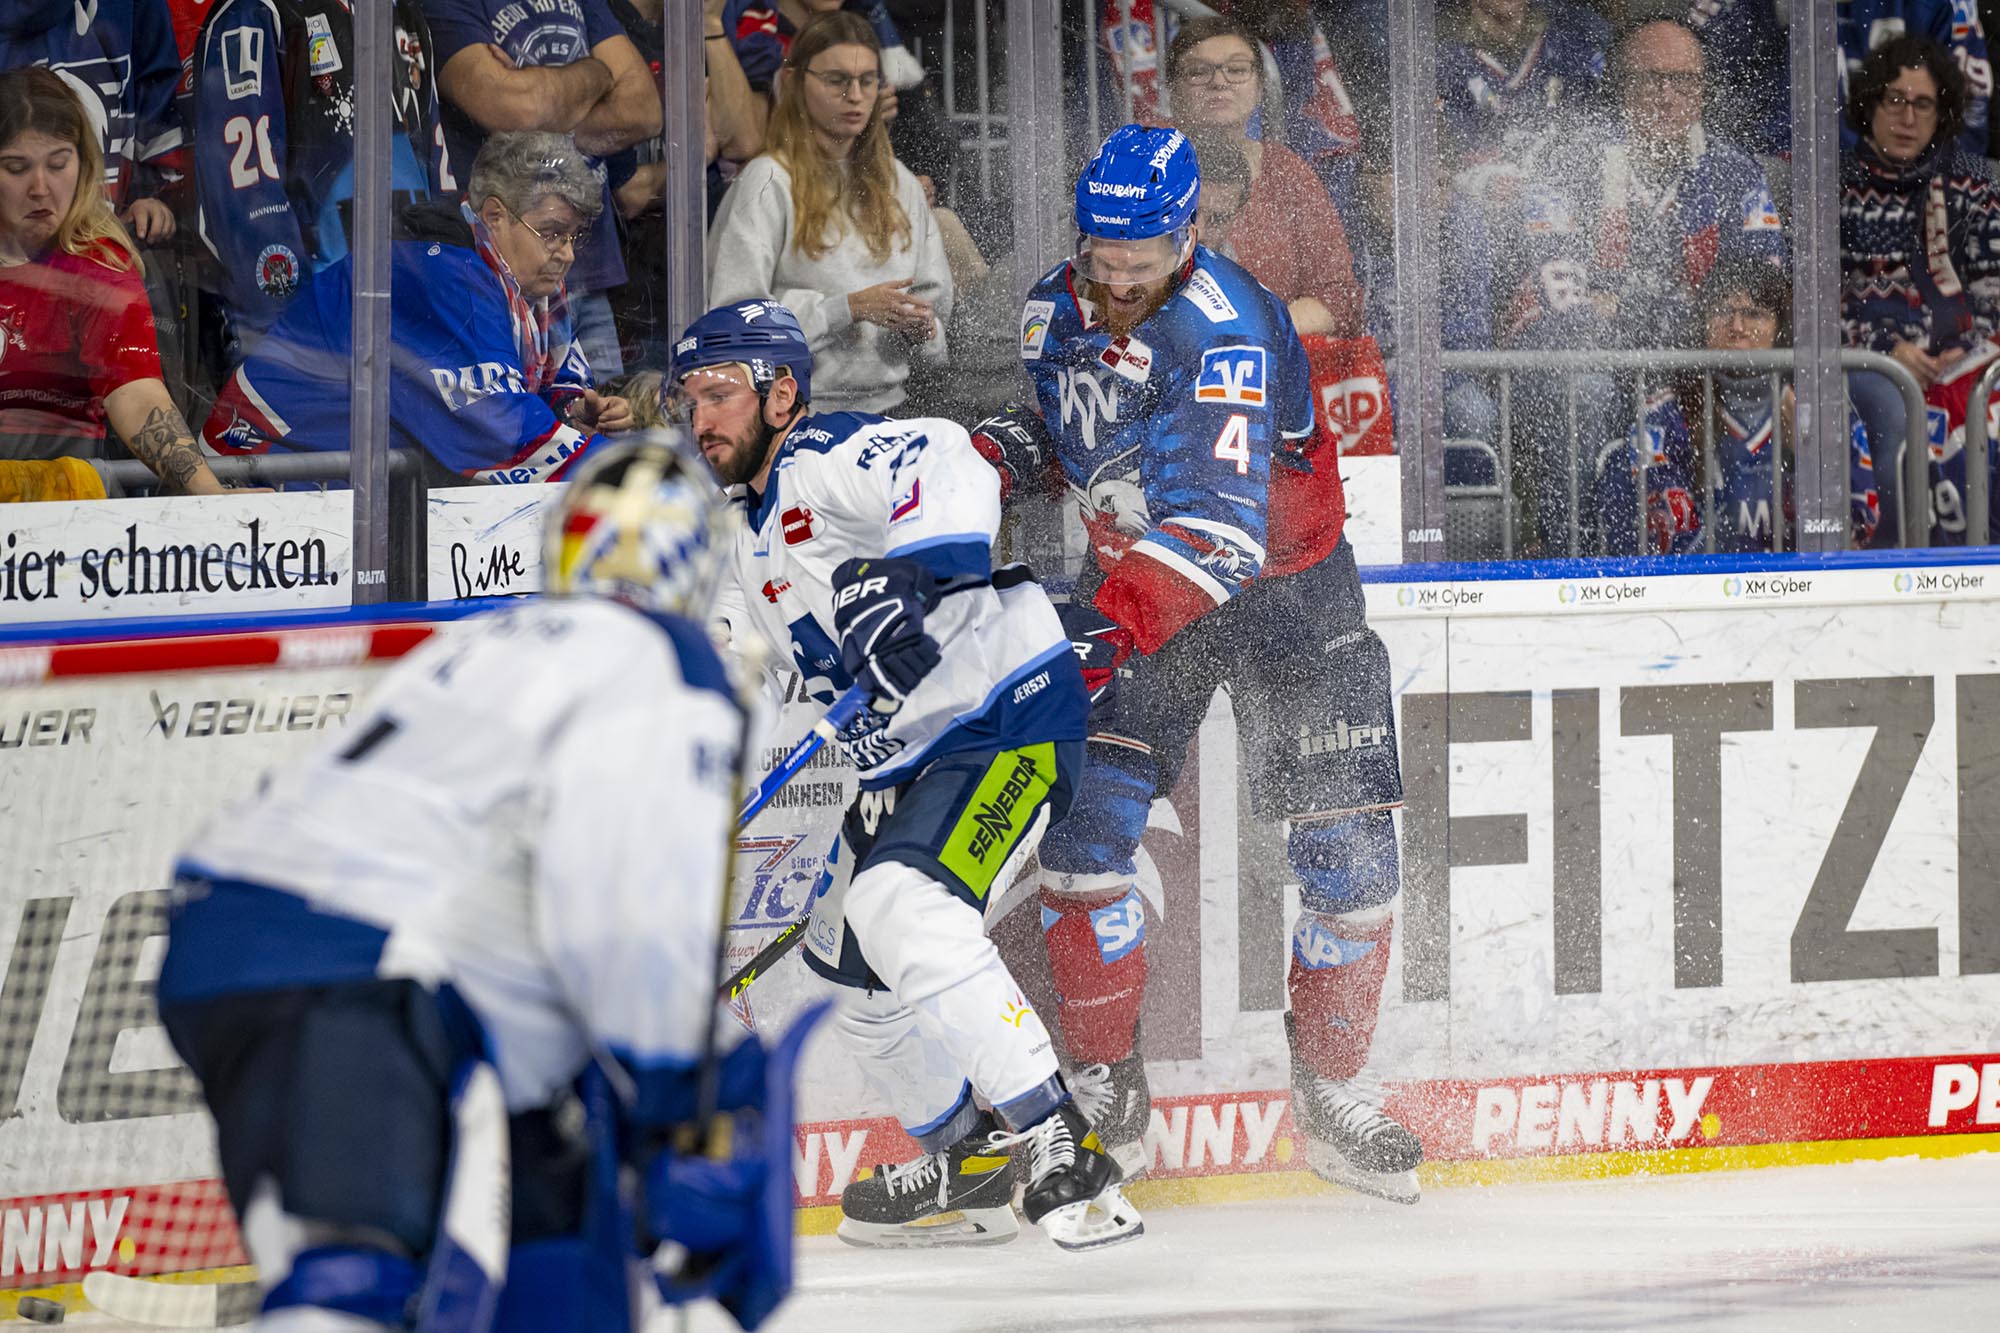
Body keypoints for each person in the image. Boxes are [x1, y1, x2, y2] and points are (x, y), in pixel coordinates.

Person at [156, 436, 818, 1331]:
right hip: (364, 964)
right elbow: (629, 920)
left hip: (225, 937)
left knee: (516, 1236)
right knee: (354, 1295)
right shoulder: (666, 656)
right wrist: (687, 1089)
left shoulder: (481, 640)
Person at [989, 124, 1422, 1202]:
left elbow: (1219, 536)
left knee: (1353, 868)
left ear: (1186, 233)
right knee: (1081, 849)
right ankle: (1109, 1099)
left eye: (1141, 250)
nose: (1118, 271)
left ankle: (1331, 1096)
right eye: (1103, 248)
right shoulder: (1052, 310)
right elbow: (1084, 437)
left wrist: (1101, 633)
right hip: (1142, 589)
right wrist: (995, 453)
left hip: (1285, 594)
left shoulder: (1223, 328)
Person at [669, 299, 1141, 1252]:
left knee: (903, 906)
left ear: (782, 393)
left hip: (1000, 717)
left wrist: (912, 579)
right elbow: (727, 671)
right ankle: (970, 1160)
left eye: (719, 393)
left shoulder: (821, 457)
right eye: (690, 398)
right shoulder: (738, 532)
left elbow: (948, 457)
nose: (700, 417)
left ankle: (1064, 1141)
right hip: (905, 763)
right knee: (850, 975)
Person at [1494, 18, 1786, 553]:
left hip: (1691, 366)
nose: (1667, 95)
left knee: (1763, 390)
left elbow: (1759, 296)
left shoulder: (1735, 173)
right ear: (1620, 84)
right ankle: (1573, 563)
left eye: (1683, 81)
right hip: (1578, 363)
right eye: (1651, 79)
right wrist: (1683, 318)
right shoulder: (1570, 158)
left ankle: (1720, 559)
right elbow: (1568, 307)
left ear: (1703, 90)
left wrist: (1629, 308)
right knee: (1588, 390)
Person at [204, 131, 628, 483]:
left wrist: (573, 411)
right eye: (552, 233)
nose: (567, 254)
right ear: (495, 215)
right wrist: (632, 475)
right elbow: (501, 431)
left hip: (332, 475)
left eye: (573, 236)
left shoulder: (524, 286)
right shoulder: (442, 275)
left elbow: (549, 390)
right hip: (256, 471)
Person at [707, 11, 950, 416]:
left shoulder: (901, 183)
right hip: (793, 414)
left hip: (893, 411)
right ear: (794, 82)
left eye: (867, 81)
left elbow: (936, 324)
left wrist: (924, 330)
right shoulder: (767, 181)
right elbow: (734, 321)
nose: (855, 95)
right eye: (837, 80)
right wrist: (846, 309)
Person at [0, 67, 229, 493]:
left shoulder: (97, 265)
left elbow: (136, 393)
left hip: (67, 512)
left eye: (58, 163)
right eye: (16, 168)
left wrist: (211, 497)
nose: (40, 187)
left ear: (84, 164)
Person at [422, 0, 662, 379]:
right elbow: (516, 107)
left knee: (598, 408)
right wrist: (598, 73)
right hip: (499, 269)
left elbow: (645, 111)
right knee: (514, 405)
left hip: (590, 267)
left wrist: (542, 105)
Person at [193, 0, 452, 338]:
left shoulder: (404, 14)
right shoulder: (254, 13)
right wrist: (297, 326)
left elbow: (438, 177)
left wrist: (445, 295)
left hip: (411, 318)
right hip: (311, 332)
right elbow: (248, 202)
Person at [1598, 259, 1881, 554]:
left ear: (1780, 327)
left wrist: (1810, 460)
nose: (1737, 327)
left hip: (1799, 582)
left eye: (1754, 314)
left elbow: (1854, 537)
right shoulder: (1664, 417)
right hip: (1707, 584)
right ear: (1703, 323)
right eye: (1722, 312)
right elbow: (1665, 550)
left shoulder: (1824, 410)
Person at [1841, 33, 2000, 545]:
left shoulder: (1976, 184)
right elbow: (1816, 303)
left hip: (1966, 360)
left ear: (1942, 111)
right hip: (1869, 366)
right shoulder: (1835, 185)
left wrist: (1967, 351)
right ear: (1870, 104)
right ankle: (1903, 564)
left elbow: (1993, 288)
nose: (1907, 118)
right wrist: (1887, 349)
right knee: (1893, 405)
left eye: (1923, 104)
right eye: (1895, 100)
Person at [1164, 16, 1365, 339]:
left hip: (1265, 357)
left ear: (1260, 87)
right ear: (1172, 89)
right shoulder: (1142, 163)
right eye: (1199, 71)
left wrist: (1252, 332)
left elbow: (1339, 297)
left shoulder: (1287, 172)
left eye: (1237, 69)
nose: (1219, 82)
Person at [1838, 0, 1992, 159]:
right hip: (1835, 164)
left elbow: (1966, 127)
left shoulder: (1944, 6)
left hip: (1921, 167)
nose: (1908, 120)